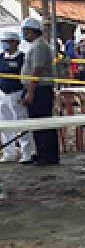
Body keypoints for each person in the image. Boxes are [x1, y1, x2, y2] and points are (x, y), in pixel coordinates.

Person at [20, 16, 58, 166]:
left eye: (26, 32)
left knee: (42, 121)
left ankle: (47, 156)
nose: (25, 35)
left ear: (33, 31)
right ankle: (42, 152)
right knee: (37, 122)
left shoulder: (39, 46)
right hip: (36, 88)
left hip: (40, 89)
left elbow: (37, 70)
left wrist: (30, 92)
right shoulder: (35, 45)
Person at [0, 28, 34, 164]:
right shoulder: (1, 57)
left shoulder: (23, 58)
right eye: (3, 42)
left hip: (17, 93)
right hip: (2, 94)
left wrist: (26, 94)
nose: (5, 44)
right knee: (5, 124)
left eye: (7, 42)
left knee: (21, 123)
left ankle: (27, 153)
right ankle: (10, 152)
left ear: (16, 43)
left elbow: (28, 78)